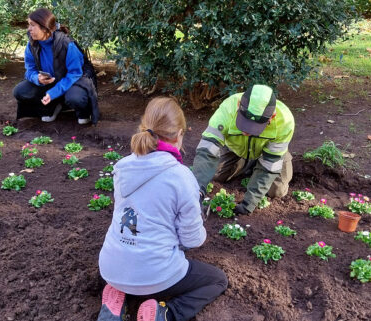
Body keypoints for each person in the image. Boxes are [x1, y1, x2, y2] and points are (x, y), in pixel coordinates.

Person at [97, 97, 228, 321]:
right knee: (217, 280)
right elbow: (193, 240)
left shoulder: (122, 166)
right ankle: (165, 313)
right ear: (179, 134)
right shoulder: (181, 176)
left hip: (110, 269)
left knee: (133, 259)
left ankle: (118, 301)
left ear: (144, 128)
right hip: (157, 277)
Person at [192, 84, 295, 215]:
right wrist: (197, 192)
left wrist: (248, 204)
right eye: (244, 122)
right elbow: (207, 151)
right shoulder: (227, 109)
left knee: (277, 191)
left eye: (254, 127)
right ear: (239, 104)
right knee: (216, 175)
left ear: (272, 116)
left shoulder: (285, 121)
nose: (246, 131)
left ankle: (260, 163)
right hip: (236, 149)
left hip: (270, 153)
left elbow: (270, 165)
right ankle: (249, 164)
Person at [13, 8, 99, 124]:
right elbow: (29, 70)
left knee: (75, 98)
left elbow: (74, 74)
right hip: (50, 82)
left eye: (32, 25)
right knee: (20, 91)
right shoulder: (32, 44)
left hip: (74, 81)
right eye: (29, 25)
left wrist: (53, 92)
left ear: (44, 27)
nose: (29, 29)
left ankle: (83, 111)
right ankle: (52, 107)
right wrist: (37, 78)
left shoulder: (67, 44)